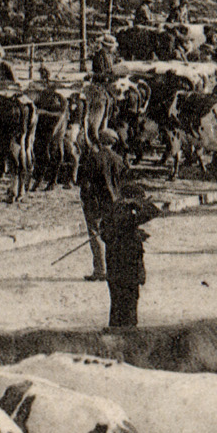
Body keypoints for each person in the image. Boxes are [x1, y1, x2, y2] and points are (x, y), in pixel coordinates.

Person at [76, 126, 126, 281]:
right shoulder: (119, 160)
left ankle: (100, 270)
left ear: (100, 141)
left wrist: (85, 200)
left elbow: (83, 183)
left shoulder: (94, 159)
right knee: (114, 235)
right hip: (115, 203)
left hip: (96, 203)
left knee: (95, 235)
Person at [102, 197, 154, 327]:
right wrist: (139, 205)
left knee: (117, 311)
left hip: (115, 275)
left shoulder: (109, 220)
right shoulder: (127, 221)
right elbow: (153, 211)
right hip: (129, 274)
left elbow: (107, 233)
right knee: (128, 312)